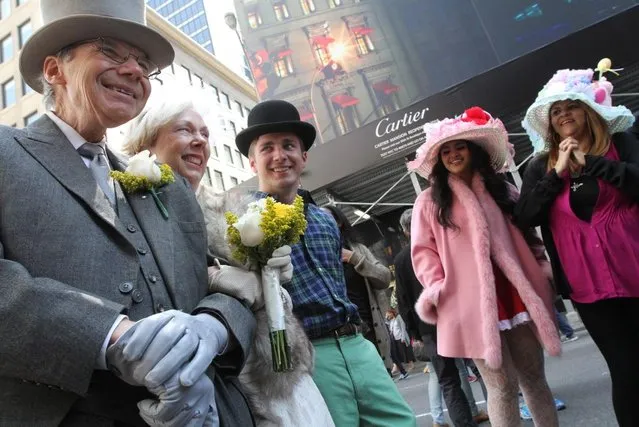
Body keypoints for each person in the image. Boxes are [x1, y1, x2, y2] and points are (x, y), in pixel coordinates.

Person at [0, 2, 257, 426]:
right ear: (53, 70)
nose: (135, 70)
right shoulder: (7, 153)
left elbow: (227, 284)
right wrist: (110, 336)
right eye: (110, 52)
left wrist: (213, 329)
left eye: (142, 63)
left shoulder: (168, 184)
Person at [123, 98, 335, 427]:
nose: (200, 141)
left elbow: (273, 299)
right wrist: (213, 277)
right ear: (147, 142)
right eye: (185, 130)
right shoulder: (129, 208)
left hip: (277, 374)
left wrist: (275, 281)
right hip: (209, 384)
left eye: (205, 134)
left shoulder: (234, 209)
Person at [235, 99, 416, 426]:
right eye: (267, 148)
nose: (280, 156)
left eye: (289, 145)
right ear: (252, 161)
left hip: (358, 345)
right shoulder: (243, 225)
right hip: (307, 359)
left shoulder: (326, 220)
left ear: (303, 157)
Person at [408, 106, 562, 427]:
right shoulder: (429, 202)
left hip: (516, 294)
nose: (452, 155)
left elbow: (528, 235)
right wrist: (440, 289)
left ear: (473, 149)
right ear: (438, 159)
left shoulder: (503, 189)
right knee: (500, 386)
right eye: (445, 150)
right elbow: (423, 253)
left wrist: (542, 268)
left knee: (533, 378)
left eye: (459, 146)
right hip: (470, 303)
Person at [516, 61, 638, 427]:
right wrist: (558, 173)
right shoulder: (541, 167)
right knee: (625, 368)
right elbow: (525, 216)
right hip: (588, 285)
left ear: (587, 111)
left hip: (634, 267)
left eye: (570, 106)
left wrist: (594, 164)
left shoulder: (621, 144)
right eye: (556, 111)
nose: (564, 114)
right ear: (549, 122)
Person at [395, 208, 484, 427]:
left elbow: (404, 300)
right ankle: (502, 413)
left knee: (448, 380)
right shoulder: (438, 244)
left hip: (428, 329)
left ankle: (464, 423)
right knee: (481, 367)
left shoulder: (400, 259)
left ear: (405, 231)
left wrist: (415, 331)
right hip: (458, 317)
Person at [322, 205, 394, 373]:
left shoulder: (357, 249)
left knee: (382, 385)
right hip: (341, 337)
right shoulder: (318, 255)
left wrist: (354, 259)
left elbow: (384, 278)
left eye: (326, 217)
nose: (321, 222)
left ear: (339, 222)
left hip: (370, 331)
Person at [385, 309, 411, 380]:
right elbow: (386, 324)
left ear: (392, 313)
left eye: (388, 314)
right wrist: (386, 317)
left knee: (397, 355)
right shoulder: (390, 321)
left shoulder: (398, 317)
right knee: (394, 355)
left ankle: (404, 370)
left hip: (399, 338)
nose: (388, 315)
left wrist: (403, 337)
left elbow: (403, 326)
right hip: (393, 339)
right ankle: (403, 372)